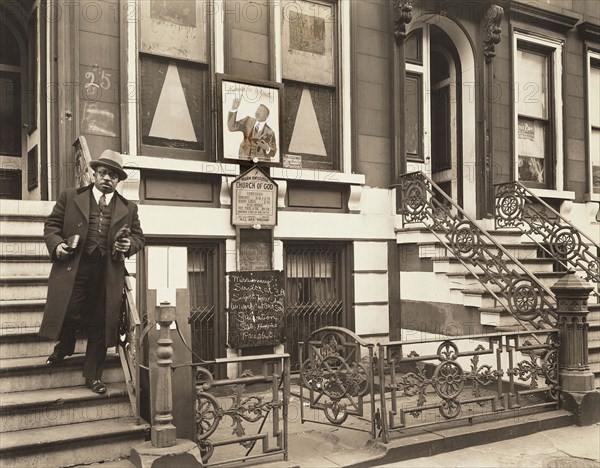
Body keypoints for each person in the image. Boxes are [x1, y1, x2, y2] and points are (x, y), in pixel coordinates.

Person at [39, 149, 145, 394]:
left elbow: (139, 237)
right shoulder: (70, 197)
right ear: (94, 174)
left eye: (113, 175)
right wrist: (58, 245)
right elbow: (52, 226)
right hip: (74, 268)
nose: (107, 178)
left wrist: (130, 245)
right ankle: (64, 346)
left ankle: (93, 375)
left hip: (107, 272)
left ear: (118, 180)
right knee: (69, 310)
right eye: (103, 173)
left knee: (100, 321)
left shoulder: (128, 208)